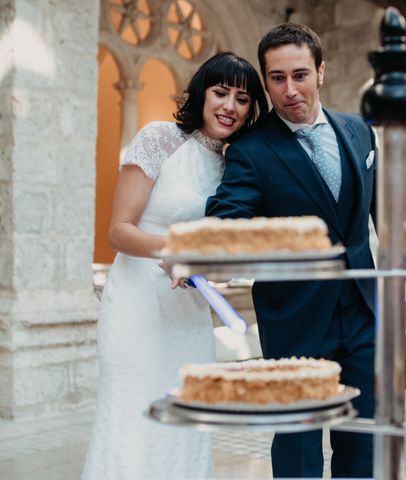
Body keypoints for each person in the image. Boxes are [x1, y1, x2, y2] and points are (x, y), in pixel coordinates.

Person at [81, 52, 267, 480]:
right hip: (136, 304)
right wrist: (178, 251)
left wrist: (216, 264)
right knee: (132, 415)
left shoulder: (234, 166)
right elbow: (119, 231)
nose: (230, 107)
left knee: (187, 416)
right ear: (202, 94)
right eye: (220, 93)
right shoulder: (159, 138)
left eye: (242, 99)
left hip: (189, 309)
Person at [205, 23, 377, 478]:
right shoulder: (250, 149)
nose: (290, 89)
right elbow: (228, 220)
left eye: (300, 74)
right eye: (276, 78)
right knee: (299, 446)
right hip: (296, 317)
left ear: (321, 71)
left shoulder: (359, 132)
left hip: (363, 311)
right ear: (266, 82)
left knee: (364, 441)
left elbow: (366, 221)